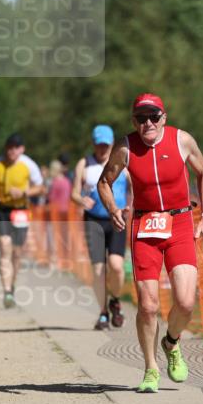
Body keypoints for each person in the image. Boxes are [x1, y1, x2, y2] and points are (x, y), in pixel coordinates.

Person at [98, 93, 203, 393]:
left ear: (164, 117)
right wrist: (112, 209)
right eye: (140, 118)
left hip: (180, 222)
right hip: (145, 227)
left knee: (186, 301)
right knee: (148, 306)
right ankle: (150, 368)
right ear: (133, 121)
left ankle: (171, 342)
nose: (147, 123)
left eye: (153, 117)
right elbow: (103, 182)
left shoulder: (182, 140)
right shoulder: (125, 148)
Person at [72, 125, 131, 330]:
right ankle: (103, 312)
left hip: (117, 219)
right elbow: (74, 193)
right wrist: (81, 200)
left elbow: (136, 187)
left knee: (116, 265)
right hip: (93, 220)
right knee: (98, 269)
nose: (102, 149)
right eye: (99, 145)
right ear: (93, 144)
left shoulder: (122, 161)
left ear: (112, 143)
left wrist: (132, 205)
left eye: (106, 145)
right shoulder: (84, 164)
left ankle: (115, 299)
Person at [0, 133, 45, 308]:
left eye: (16, 148)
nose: (12, 151)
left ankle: (12, 284)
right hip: (2, 209)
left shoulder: (29, 165)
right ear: (5, 148)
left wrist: (24, 193)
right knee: (4, 248)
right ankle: (7, 291)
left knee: (17, 253)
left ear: (22, 149)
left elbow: (41, 187)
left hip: (21, 211)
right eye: (9, 147)